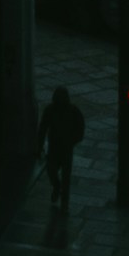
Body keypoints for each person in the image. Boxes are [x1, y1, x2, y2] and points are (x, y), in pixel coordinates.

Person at [40, 86, 86, 235]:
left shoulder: (73, 111)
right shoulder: (50, 110)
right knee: (51, 170)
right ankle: (56, 186)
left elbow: (80, 128)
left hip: (66, 148)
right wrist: (39, 145)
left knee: (66, 176)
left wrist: (73, 140)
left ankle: (64, 203)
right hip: (54, 148)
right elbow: (42, 128)